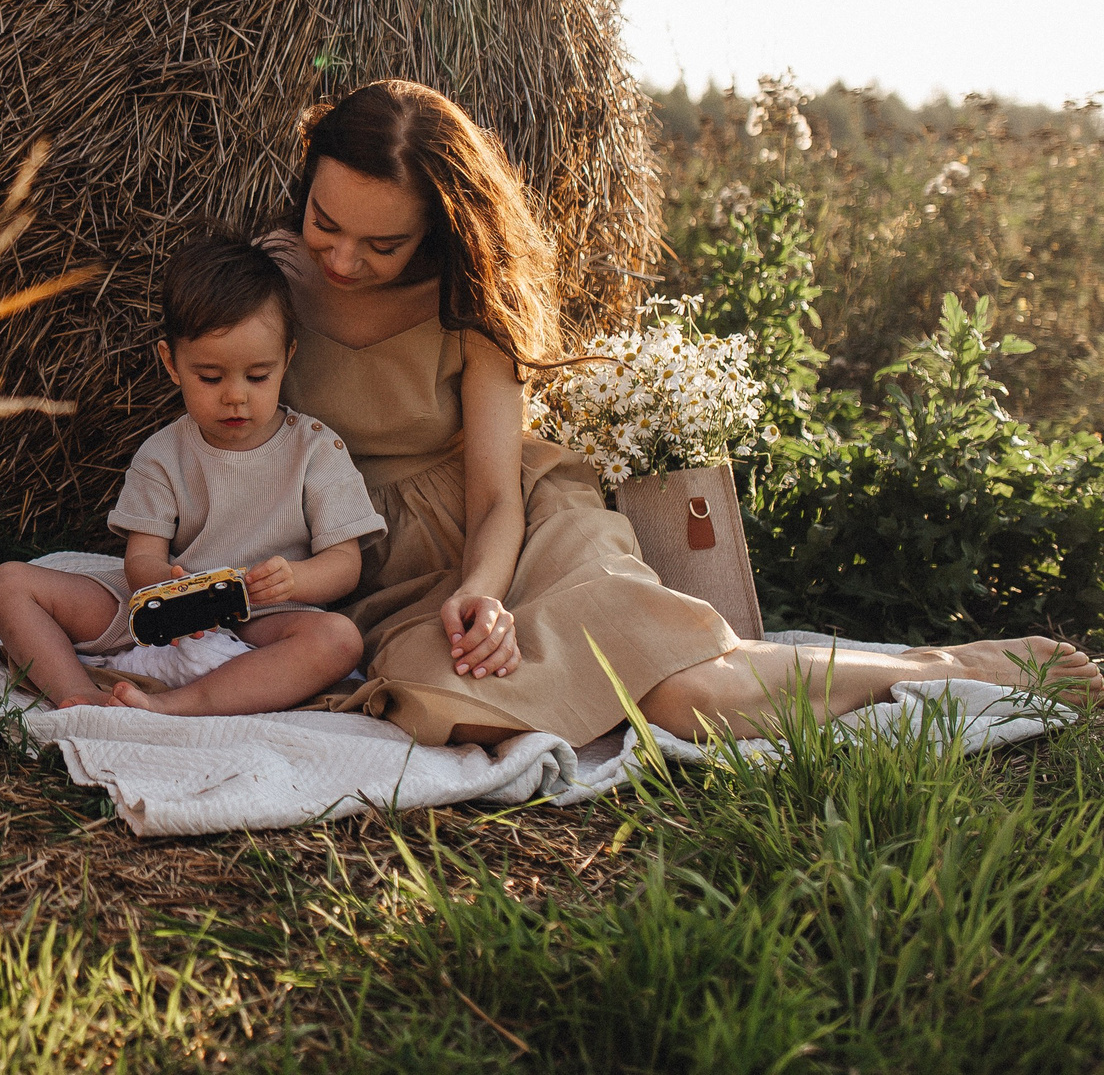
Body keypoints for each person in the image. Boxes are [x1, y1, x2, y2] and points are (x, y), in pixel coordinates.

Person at [270, 78, 1104, 747]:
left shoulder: (470, 302)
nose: (342, 258)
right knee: (470, 705)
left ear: (441, 231)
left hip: (515, 531)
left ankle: (942, 665)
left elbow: (495, 493)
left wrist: (486, 593)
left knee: (694, 697)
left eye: (383, 246)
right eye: (326, 223)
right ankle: (888, 666)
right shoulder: (266, 287)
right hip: (387, 567)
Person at [0, 232, 381, 714]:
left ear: (287, 359)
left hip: (263, 616)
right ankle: (80, 694)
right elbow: (142, 557)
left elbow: (344, 564)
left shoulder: (315, 451)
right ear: (171, 363)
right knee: (8, 583)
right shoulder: (164, 454)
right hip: (160, 610)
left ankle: (179, 703)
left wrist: (295, 580)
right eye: (210, 377)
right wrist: (171, 588)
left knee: (339, 639)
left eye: (258, 376)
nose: (235, 396)